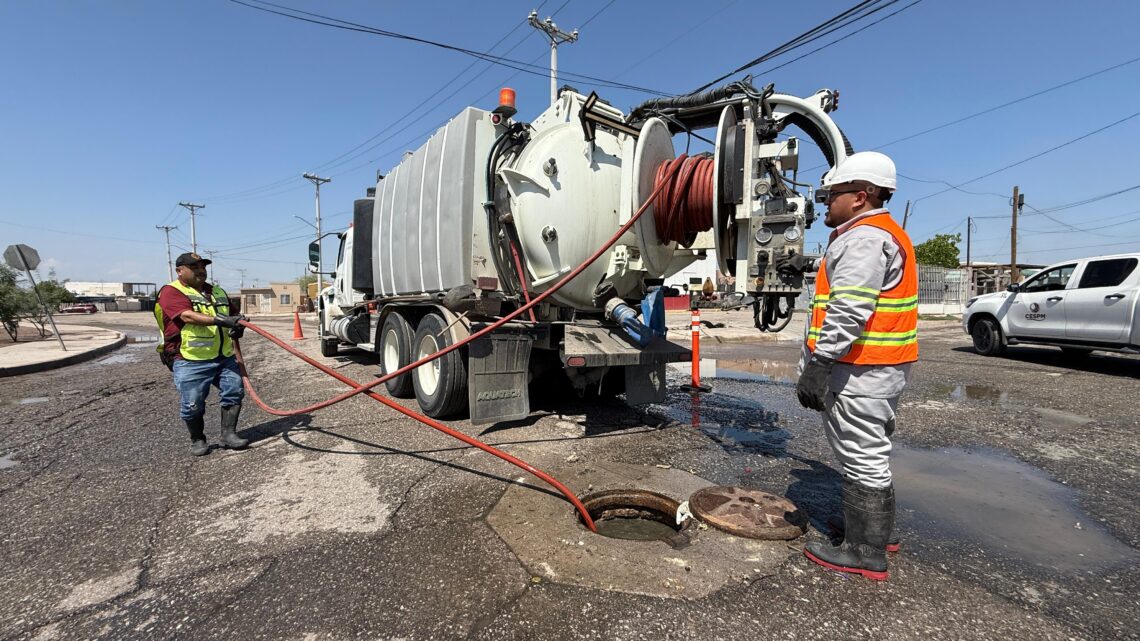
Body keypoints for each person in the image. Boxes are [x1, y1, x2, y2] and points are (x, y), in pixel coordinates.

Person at [776, 151, 918, 581]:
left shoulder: (863, 239)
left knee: (862, 455)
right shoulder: (878, 234)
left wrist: (819, 364)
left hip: (859, 368)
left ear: (861, 196)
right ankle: (874, 533)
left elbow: (849, 309)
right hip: (875, 367)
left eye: (832, 194)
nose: (825, 202)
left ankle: (865, 551)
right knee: (868, 450)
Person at [154, 252, 249, 456]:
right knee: (193, 403)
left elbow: (233, 315)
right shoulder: (171, 291)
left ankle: (229, 434)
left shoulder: (216, 291)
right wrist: (221, 321)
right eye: (194, 267)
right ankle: (197, 439)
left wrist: (238, 323)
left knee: (234, 391)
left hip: (223, 356)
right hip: (190, 359)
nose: (200, 271)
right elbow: (186, 315)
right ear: (180, 271)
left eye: (203, 267)